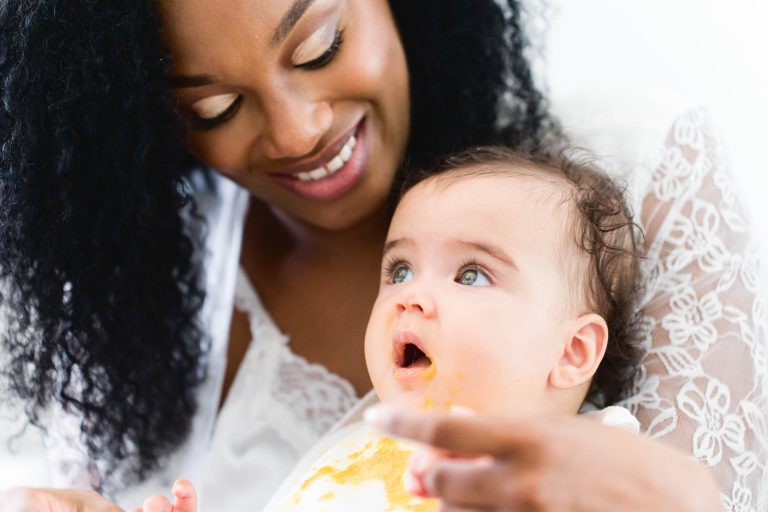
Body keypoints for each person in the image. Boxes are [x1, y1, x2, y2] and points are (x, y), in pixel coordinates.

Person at [0, 1, 764, 511]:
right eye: (214, 109)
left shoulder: (628, 166)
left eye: (322, 45)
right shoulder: (351, 443)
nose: (299, 133)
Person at [140, 146, 649, 511]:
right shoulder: (355, 440)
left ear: (572, 353)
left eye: (471, 274)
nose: (410, 296)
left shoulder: (580, 464)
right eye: (400, 270)